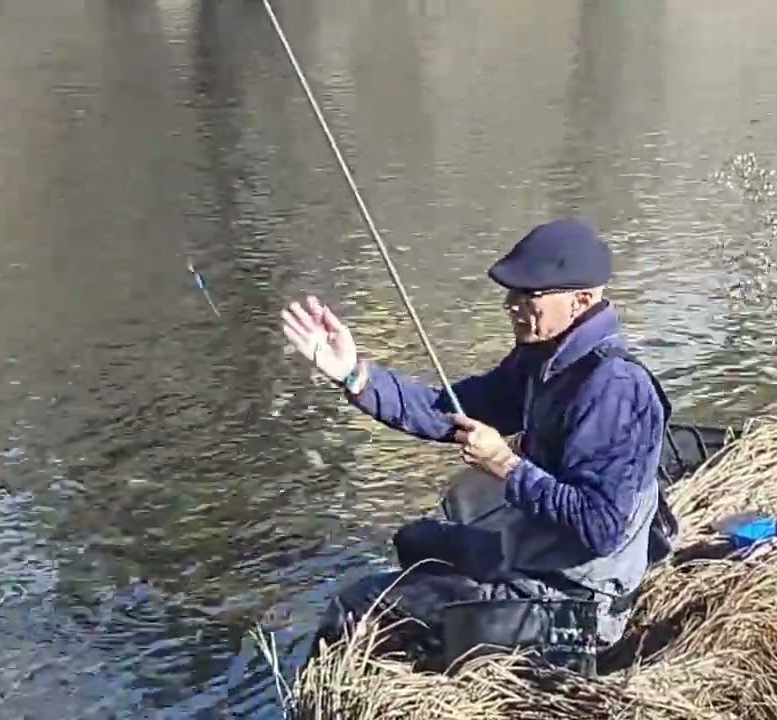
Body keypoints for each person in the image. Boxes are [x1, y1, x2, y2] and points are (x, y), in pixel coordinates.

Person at [281, 217, 677, 671]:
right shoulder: (544, 359)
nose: (510, 304)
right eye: (511, 292)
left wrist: (506, 466)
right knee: (415, 541)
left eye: (527, 295)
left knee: (357, 605)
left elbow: (600, 527)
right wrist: (354, 374)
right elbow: (446, 409)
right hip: (536, 560)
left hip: (577, 609)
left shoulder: (614, 390)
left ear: (580, 300)